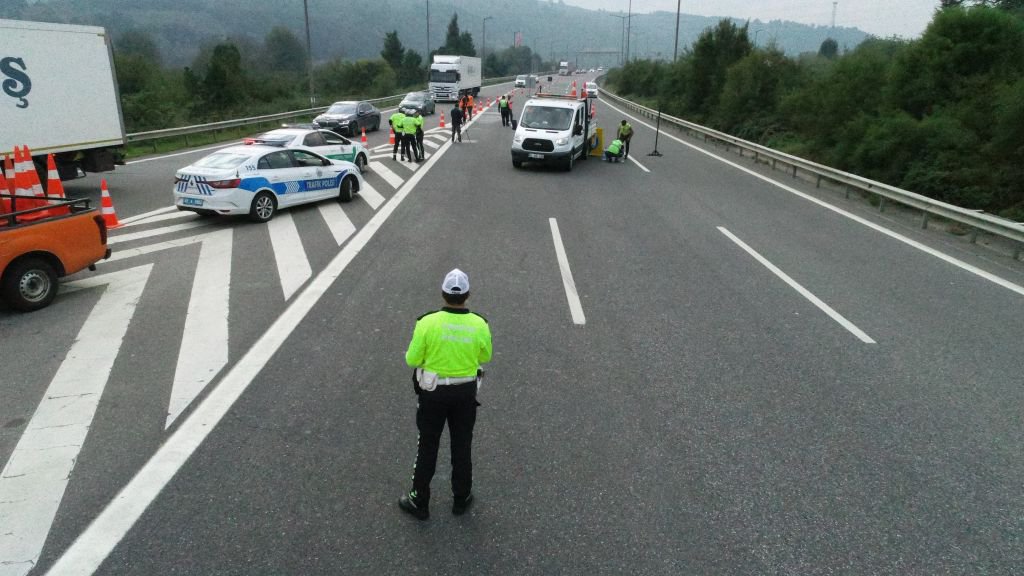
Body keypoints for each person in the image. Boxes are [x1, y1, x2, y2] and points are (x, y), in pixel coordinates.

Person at [399, 268, 492, 520]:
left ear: (442, 294)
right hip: (465, 394)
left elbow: (412, 359)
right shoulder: (479, 324)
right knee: (462, 444)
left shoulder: (427, 322)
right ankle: (461, 498)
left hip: (433, 393)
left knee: (428, 445)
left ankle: (419, 500)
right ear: (467, 295)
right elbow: (485, 356)